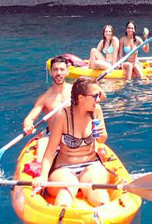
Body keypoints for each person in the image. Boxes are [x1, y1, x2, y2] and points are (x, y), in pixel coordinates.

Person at [32, 77, 110, 208]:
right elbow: (50, 151)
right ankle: (62, 219)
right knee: (68, 189)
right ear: (81, 98)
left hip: (91, 165)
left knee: (98, 192)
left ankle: (105, 217)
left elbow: (102, 139)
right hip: (65, 168)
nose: (99, 99)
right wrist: (43, 176)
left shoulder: (96, 111)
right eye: (95, 96)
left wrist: (102, 135)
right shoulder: (62, 116)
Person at [22, 55, 72, 135]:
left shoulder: (76, 90)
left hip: (76, 136)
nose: (59, 73)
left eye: (62, 70)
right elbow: (29, 118)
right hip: (54, 137)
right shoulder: (45, 98)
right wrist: (28, 126)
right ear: (50, 72)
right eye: (55, 70)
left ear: (67, 71)